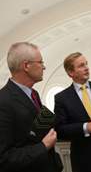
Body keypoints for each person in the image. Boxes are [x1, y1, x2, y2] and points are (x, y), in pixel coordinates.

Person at [0, 42, 63, 172]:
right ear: (26, 66)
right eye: (40, 62)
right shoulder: (3, 101)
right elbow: (4, 158)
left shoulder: (34, 94)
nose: (44, 67)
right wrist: (43, 146)